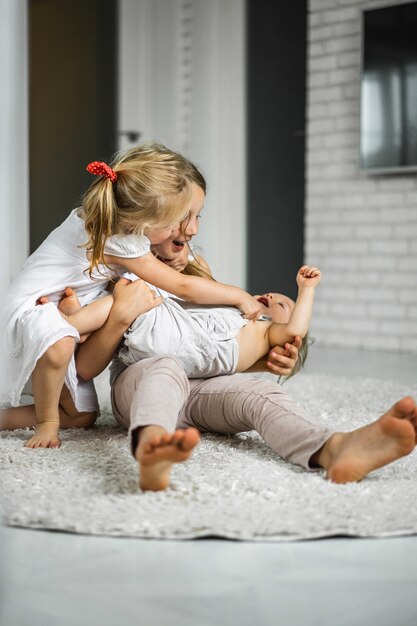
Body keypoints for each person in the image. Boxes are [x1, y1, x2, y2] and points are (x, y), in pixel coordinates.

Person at [72, 230, 417, 491]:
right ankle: (151, 444)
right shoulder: (128, 272)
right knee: (166, 367)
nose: (187, 236)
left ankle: (333, 448)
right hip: (144, 382)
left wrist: (269, 359)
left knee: (259, 394)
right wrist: (118, 314)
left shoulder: (210, 288)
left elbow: (220, 350)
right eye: (178, 231)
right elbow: (87, 365)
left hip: (201, 392)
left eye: (190, 231)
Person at [0, 143, 262, 449]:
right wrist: (240, 296)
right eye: (176, 220)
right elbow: (183, 287)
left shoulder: (120, 229)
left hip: (61, 307)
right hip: (34, 308)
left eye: (197, 216)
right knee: (60, 347)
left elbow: (188, 292)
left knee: (82, 417)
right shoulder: (122, 240)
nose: (191, 229)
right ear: (142, 221)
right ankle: (47, 423)